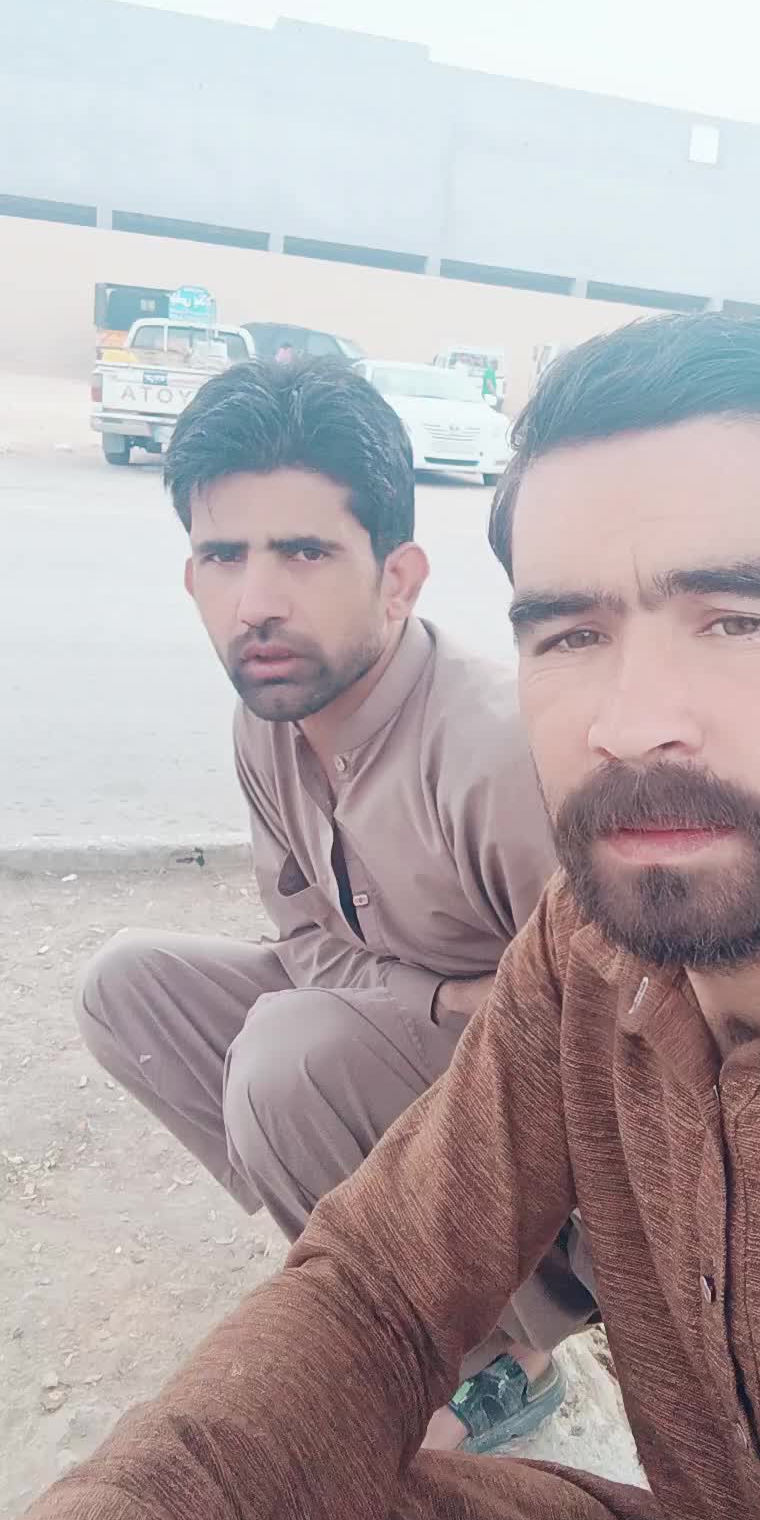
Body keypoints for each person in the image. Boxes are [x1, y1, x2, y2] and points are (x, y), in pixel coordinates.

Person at [3, 315, 760, 1520]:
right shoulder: (590, 946)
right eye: (569, 635)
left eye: (738, 620)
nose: (631, 724)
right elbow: (377, 1285)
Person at [71, 358, 594, 1458]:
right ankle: (360, 1266)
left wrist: (431, 1014)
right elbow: (305, 935)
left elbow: (607, 1033)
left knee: (287, 1059)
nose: (256, 601)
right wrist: (435, 999)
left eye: (304, 553)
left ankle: (502, 1355)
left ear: (398, 578)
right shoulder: (268, 716)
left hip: (546, 1131)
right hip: (414, 1030)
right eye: (225, 556)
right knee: (126, 986)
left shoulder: (495, 751)